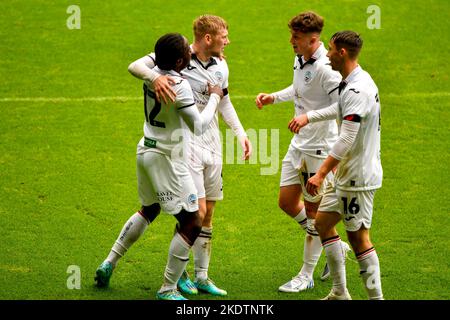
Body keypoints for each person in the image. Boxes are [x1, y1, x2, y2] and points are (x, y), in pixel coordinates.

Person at [95, 15, 252, 297]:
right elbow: (199, 123)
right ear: (181, 60)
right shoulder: (176, 82)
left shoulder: (176, 70)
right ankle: (170, 285)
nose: (228, 41)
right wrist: (213, 95)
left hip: (150, 147)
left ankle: (110, 262)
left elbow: (222, 100)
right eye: (223, 36)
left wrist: (239, 132)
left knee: (151, 209)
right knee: (193, 218)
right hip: (175, 153)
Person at [255, 11, 350, 293]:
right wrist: (275, 97)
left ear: (313, 39)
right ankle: (333, 244)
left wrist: (309, 117)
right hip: (299, 144)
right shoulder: (300, 58)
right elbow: (299, 88)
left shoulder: (327, 68)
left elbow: (340, 106)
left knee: (313, 215)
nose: (291, 41)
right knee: (285, 201)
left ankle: (306, 275)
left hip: (320, 148)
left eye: (295, 38)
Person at [291, 30, 383, 300]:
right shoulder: (352, 81)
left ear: (342, 53)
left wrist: (320, 173)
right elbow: (338, 110)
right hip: (345, 174)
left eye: (330, 49)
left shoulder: (357, 89)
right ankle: (339, 293)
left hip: (358, 178)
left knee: (359, 239)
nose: (326, 54)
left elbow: (347, 138)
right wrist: (310, 116)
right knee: (321, 224)